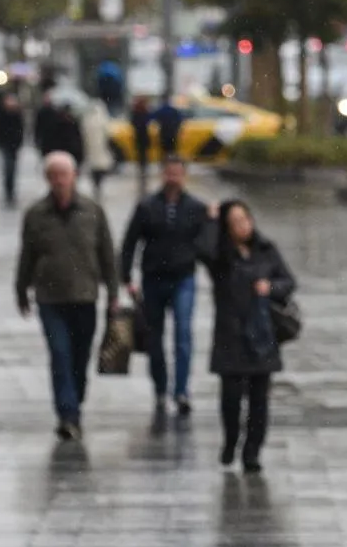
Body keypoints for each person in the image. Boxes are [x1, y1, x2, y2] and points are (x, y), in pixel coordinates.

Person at [14, 152, 119, 441]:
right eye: (54, 175)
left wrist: (113, 291)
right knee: (60, 354)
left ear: (74, 176)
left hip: (85, 296)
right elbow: (27, 255)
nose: (59, 181)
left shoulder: (92, 211)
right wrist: (21, 290)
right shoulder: (36, 214)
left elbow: (108, 254)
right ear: (47, 179)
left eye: (64, 174)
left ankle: (75, 398)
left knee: (80, 357)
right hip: (50, 297)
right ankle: (67, 414)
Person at [202, 200, 294, 474]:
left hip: (262, 335)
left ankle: (252, 450)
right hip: (230, 335)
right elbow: (204, 252)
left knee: (259, 399)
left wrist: (271, 287)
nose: (243, 226)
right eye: (235, 222)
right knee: (231, 398)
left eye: (245, 219)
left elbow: (288, 282)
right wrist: (210, 221)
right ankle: (231, 439)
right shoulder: (221, 257)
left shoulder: (266, 249)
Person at [120, 156, 216, 416]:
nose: (173, 178)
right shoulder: (147, 206)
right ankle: (160, 387)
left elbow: (209, 245)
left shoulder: (196, 207)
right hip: (153, 278)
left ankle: (182, 389)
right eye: (169, 173)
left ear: (184, 176)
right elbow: (130, 242)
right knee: (154, 338)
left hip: (183, 278)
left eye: (178, 173)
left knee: (183, 334)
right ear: (163, 174)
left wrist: (213, 220)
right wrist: (126, 277)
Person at [0, 92, 26, 207]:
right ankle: (8, 191)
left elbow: (21, 129)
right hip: (5, 145)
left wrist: (19, 141)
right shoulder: (2, 113)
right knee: (7, 168)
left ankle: (11, 191)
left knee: (12, 168)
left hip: (14, 145)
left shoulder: (17, 114)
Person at [81, 100, 113, 201]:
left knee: (94, 169)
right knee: (100, 169)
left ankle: (96, 185)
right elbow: (109, 134)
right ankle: (98, 185)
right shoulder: (103, 120)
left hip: (92, 150)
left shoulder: (87, 120)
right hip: (100, 150)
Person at [128, 96, 154, 191]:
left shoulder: (135, 112)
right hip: (144, 137)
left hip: (139, 137)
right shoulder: (145, 112)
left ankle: (142, 170)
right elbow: (149, 121)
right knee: (144, 155)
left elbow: (132, 123)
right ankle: (143, 170)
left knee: (141, 155)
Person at [152, 99, 184, 164]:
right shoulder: (174, 110)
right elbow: (180, 119)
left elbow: (153, 117)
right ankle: (172, 163)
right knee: (172, 150)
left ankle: (165, 164)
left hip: (164, 133)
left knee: (164, 151)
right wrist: (176, 127)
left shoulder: (161, 110)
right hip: (172, 133)